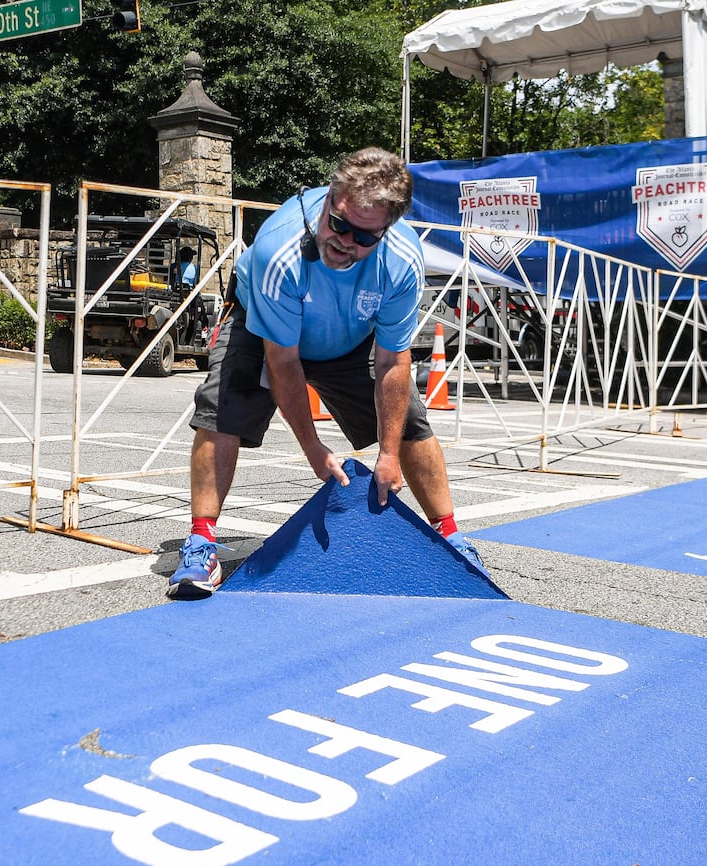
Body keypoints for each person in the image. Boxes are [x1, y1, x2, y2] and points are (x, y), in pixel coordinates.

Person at [166, 147, 484, 599]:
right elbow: (284, 361)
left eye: (364, 237)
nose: (345, 242)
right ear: (330, 197)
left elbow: (394, 361)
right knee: (221, 408)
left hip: (347, 334)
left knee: (409, 420)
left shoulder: (402, 262)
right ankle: (200, 543)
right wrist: (313, 448)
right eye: (338, 224)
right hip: (265, 329)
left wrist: (388, 455)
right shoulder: (280, 253)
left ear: (387, 231)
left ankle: (450, 536)